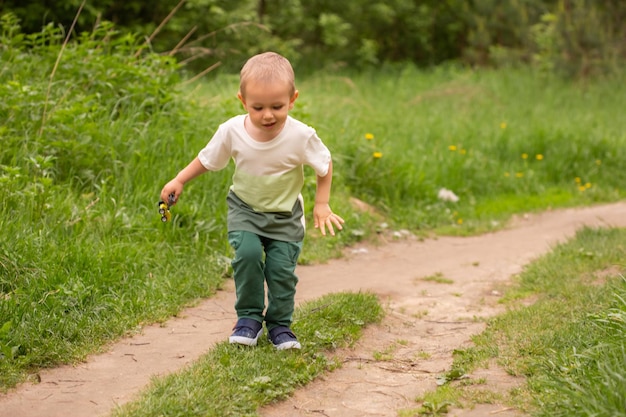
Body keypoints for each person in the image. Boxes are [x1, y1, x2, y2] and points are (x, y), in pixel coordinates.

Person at [160, 52, 344, 350]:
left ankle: (280, 325)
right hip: (244, 209)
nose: (268, 115)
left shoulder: (300, 135)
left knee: (280, 272)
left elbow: (324, 164)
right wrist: (179, 179)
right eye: (258, 107)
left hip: (285, 215)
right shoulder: (232, 131)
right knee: (246, 256)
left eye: (277, 106)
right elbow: (207, 160)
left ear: (293, 99)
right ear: (242, 101)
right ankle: (248, 319)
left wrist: (321, 203)